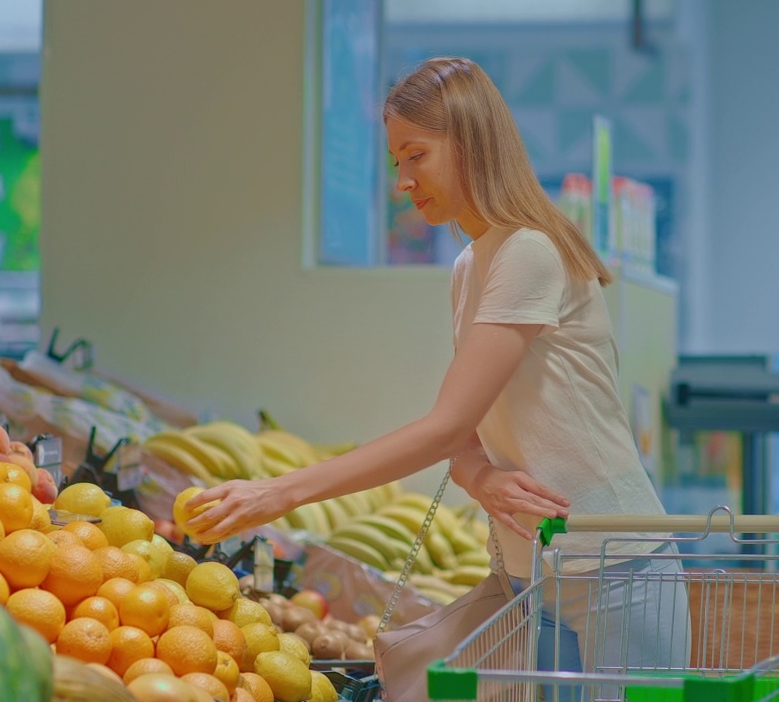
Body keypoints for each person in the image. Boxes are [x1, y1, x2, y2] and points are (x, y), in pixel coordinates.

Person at [186, 56, 690, 681]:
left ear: (471, 141)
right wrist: (481, 478)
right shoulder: (468, 268)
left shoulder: (530, 252)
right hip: (528, 574)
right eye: (398, 160)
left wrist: (280, 492)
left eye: (416, 155)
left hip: (615, 569)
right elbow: (468, 437)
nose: (403, 179)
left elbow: (445, 427)